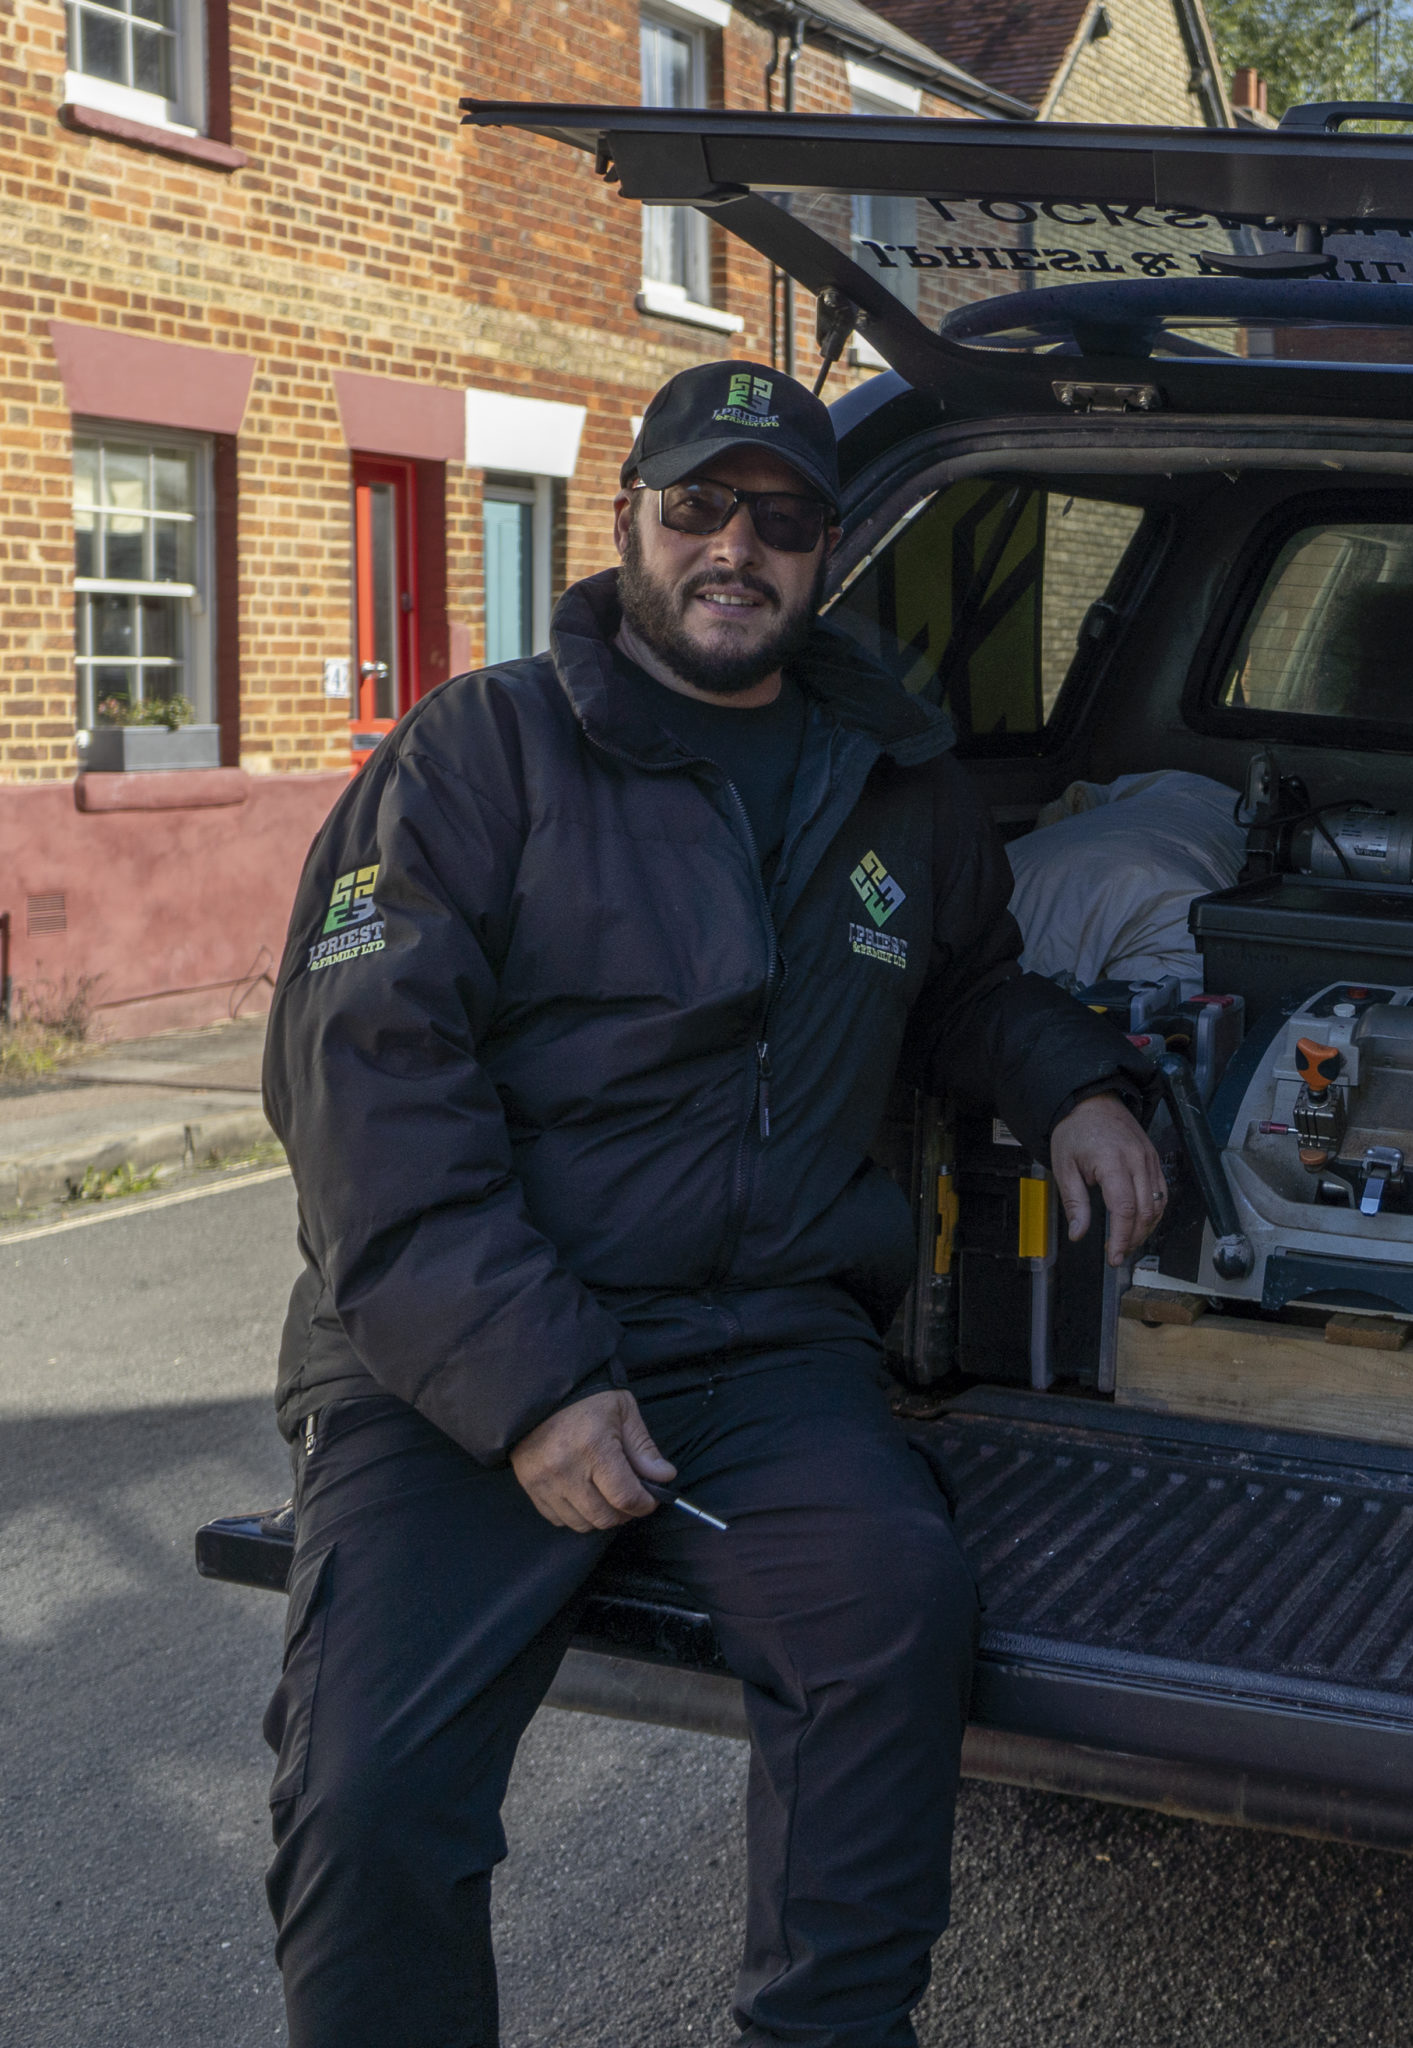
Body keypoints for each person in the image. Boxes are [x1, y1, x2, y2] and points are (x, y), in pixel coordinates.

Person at [258, 358, 1164, 2048]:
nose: (734, 549)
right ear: (628, 525)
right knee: (371, 1795)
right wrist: (533, 1387)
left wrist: (1081, 1085)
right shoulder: (479, 752)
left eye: (783, 519)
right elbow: (363, 1091)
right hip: (456, 1366)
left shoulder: (898, 782)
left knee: (890, 1621)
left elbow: (967, 986)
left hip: (761, 1354)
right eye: (698, 509)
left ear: (828, 554)